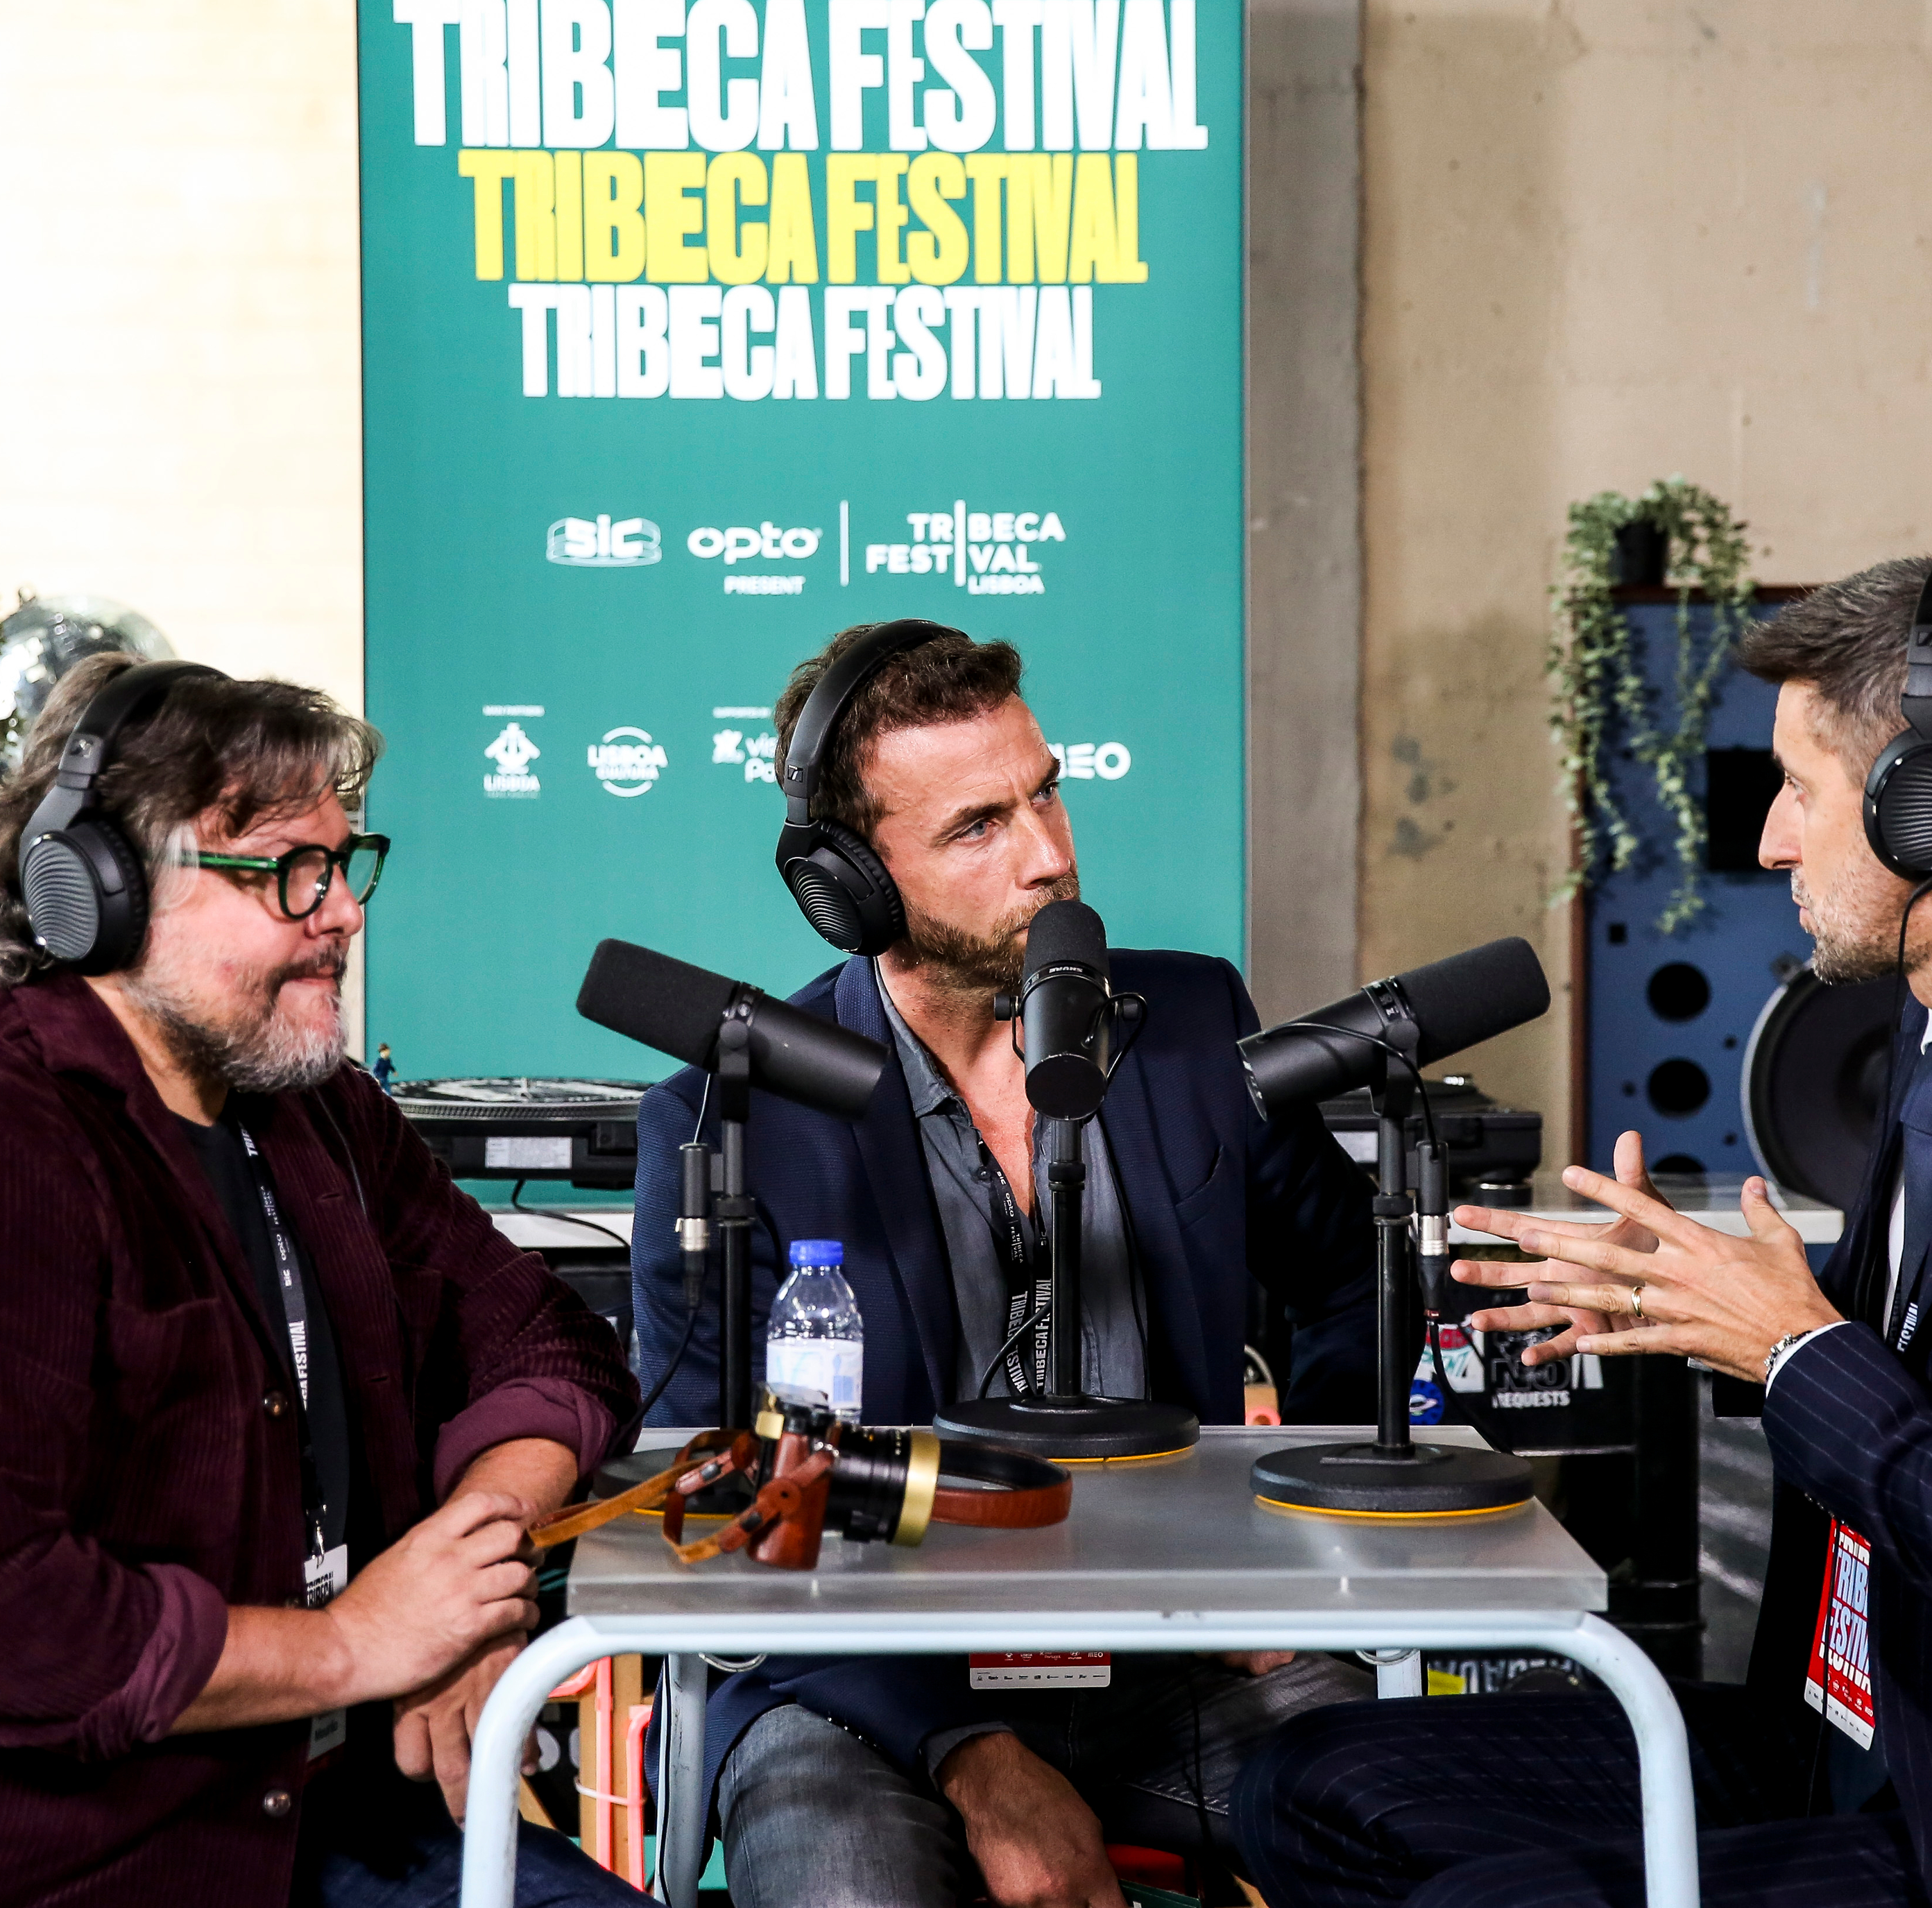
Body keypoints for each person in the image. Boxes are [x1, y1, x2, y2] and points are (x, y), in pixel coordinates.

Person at [1231, 554, 1932, 1908]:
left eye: (1798, 789)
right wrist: (1696, 1325)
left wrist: (1798, 1351)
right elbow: (1928, 1380)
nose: (1770, 842)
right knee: (1310, 1790)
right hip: (1840, 1735)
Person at [631, 623, 1380, 1908]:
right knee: (840, 1885)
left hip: (1178, 1660)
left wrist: (1291, 1559)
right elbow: (715, 1496)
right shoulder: (731, 1113)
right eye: (980, 826)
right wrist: (973, 1757)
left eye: (1047, 791)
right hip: (861, 1683)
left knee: (1432, 1827)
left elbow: (1359, 1278)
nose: (1051, 855)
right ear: (851, 887)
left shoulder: (1194, 1022)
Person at [0, 654, 646, 1907]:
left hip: (345, 1816)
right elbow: (22, 1618)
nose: (344, 910)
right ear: (105, 895)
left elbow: (551, 1342)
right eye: (293, 870)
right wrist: (351, 1644)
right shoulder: (26, 1140)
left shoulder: (326, 1115)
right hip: (121, 1859)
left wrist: (467, 1575)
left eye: (348, 865)